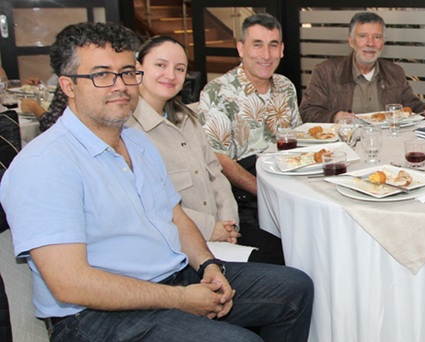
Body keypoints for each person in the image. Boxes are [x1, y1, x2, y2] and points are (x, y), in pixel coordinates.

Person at [0, 22, 312, 341]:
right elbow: (70, 284)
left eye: (127, 73)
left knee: (295, 288)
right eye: (102, 75)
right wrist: (180, 299)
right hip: (94, 314)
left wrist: (208, 265)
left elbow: (176, 216)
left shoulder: (136, 142)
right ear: (68, 85)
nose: (120, 86)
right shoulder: (44, 164)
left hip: (172, 276)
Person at [128, 35, 284, 264]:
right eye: (160, 65)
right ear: (137, 68)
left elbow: (215, 175)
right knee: (281, 270)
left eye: (179, 69)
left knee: (287, 250)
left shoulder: (187, 119)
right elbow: (147, 203)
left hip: (222, 229)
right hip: (177, 242)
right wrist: (210, 228)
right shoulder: (127, 130)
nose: (170, 75)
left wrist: (229, 225)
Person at [198, 13, 293, 264]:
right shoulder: (218, 92)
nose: (266, 55)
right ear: (241, 48)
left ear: (282, 50)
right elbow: (218, 158)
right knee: (285, 254)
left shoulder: (286, 87)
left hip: (283, 185)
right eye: (257, 45)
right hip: (243, 197)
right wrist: (264, 189)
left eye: (273, 45)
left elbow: (296, 140)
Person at [299, 12, 425, 123]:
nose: (370, 43)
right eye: (363, 36)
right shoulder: (325, 72)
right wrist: (334, 116)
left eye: (377, 37)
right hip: (345, 143)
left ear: (383, 42)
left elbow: (411, 105)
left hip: (388, 142)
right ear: (351, 41)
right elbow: (307, 112)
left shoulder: (395, 72)